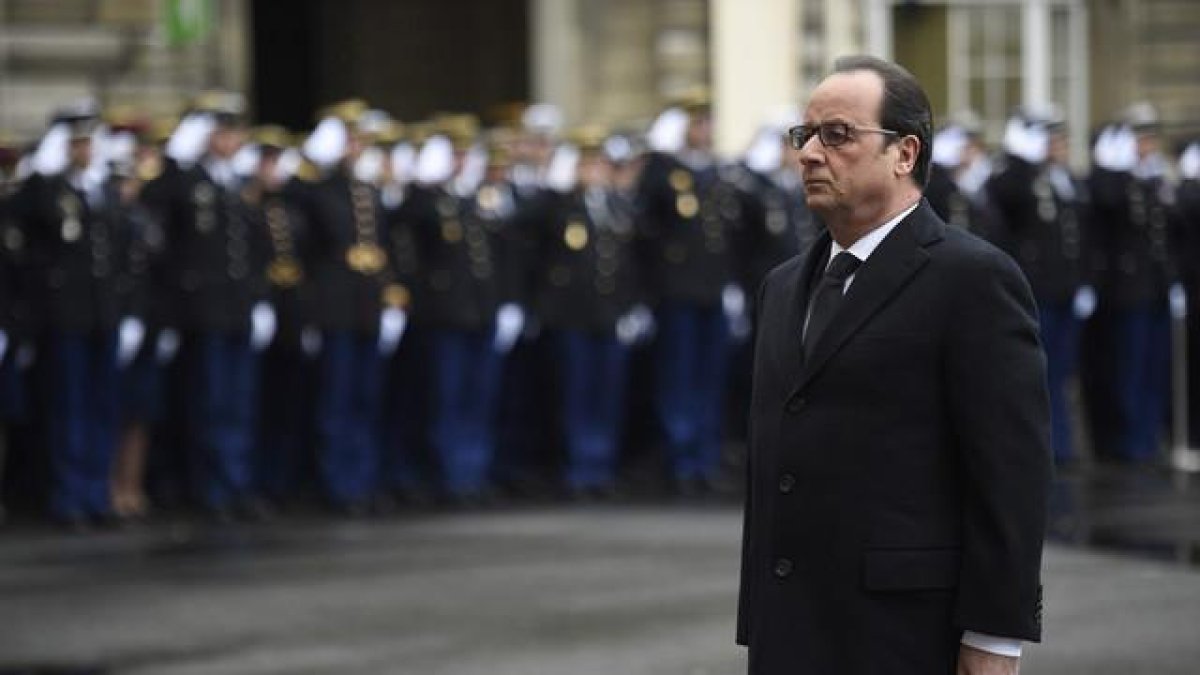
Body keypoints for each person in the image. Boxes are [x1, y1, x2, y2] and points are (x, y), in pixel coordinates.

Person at [737, 55, 1050, 674]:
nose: (809, 153)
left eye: (838, 135)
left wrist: (994, 638)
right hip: (790, 630)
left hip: (905, 633)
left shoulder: (972, 278)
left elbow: (1010, 473)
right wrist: (760, 622)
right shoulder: (782, 285)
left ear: (905, 153)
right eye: (805, 135)